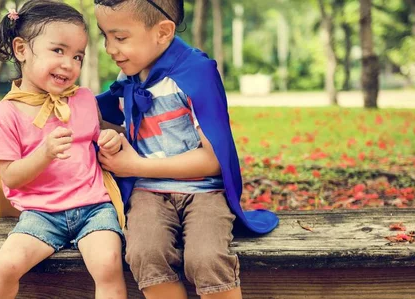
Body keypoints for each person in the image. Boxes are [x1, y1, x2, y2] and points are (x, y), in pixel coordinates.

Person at [94, 0, 279, 298]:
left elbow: (213, 159)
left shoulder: (195, 73)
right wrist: (112, 139)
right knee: (145, 252)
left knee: (206, 257)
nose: (109, 48)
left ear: (163, 32)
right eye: (105, 36)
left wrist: (135, 166)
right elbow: (115, 122)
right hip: (148, 194)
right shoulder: (131, 73)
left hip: (204, 191)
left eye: (120, 38)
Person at [0, 1, 127, 298]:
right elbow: (11, 178)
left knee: (108, 263)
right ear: (21, 50)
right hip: (41, 213)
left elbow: (102, 136)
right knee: (5, 267)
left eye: (77, 56)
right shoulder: (6, 114)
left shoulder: (83, 99)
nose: (69, 63)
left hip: (94, 208)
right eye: (58, 50)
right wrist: (43, 153)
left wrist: (114, 140)